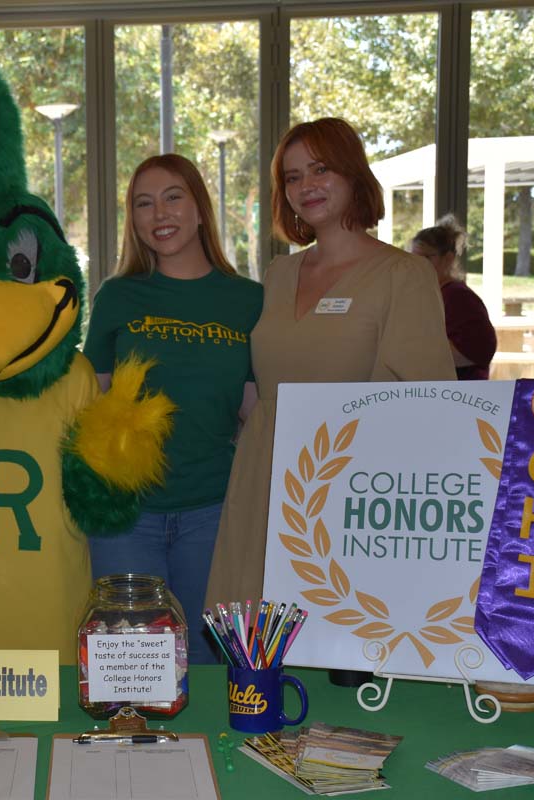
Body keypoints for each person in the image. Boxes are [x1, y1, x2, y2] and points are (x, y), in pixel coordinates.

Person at [205, 117, 455, 609]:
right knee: (258, 638)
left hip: (353, 484)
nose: (305, 186)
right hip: (266, 471)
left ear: (351, 173)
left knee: (342, 641)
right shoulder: (279, 273)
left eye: (319, 169)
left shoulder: (403, 274)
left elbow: (433, 402)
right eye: (292, 177)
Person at [83, 154, 263, 664]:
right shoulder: (117, 296)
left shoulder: (248, 300)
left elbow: (255, 412)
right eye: (144, 203)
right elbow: (89, 400)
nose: (159, 212)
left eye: (173, 197)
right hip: (125, 514)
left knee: (208, 666)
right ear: (134, 221)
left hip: (214, 510)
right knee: (132, 667)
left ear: (200, 209)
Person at [410, 215, 497, 380]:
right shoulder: (424, 293)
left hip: (457, 394)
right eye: (413, 257)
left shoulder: (458, 297)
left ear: (448, 258)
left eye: (427, 258)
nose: (418, 264)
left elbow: (479, 350)